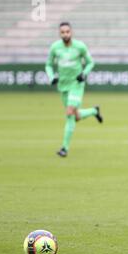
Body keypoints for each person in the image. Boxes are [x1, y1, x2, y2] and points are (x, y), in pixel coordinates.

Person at [45, 22, 103, 157]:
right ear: (59, 34)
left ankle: (64, 148)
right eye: (62, 32)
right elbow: (48, 65)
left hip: (76, 84)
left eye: (67, 32)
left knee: (69, 113)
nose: (65, 34)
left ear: (71, 32)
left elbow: (90, 62)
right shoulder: (55, 48)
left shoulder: (80, 46)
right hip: (63, 85)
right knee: (76, 116)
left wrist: (84, 73)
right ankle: (94, 111)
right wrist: (51, 76)